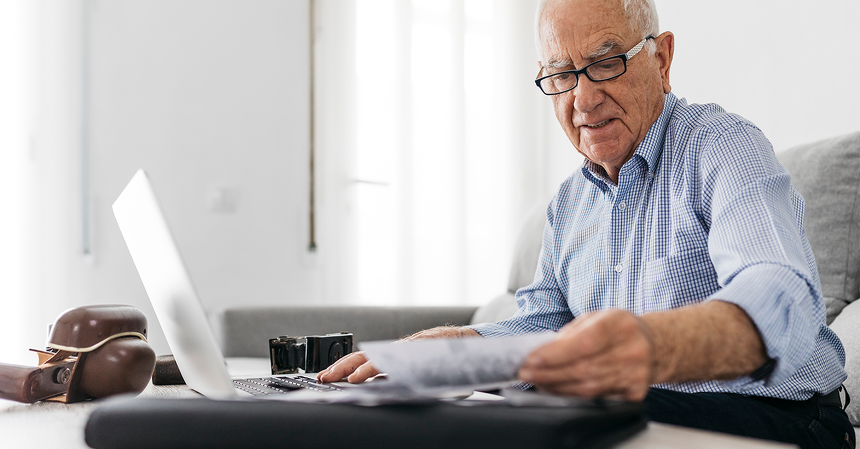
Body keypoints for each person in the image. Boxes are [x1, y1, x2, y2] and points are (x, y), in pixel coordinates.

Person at [318, 0, 854, 447]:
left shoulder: (722, 147)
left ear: (662, 59)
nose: (583, 98)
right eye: (561, 74)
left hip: (784, 419)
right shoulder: (570, 202)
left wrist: (651, 346)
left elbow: (782, 294)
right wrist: (455, 349)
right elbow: (545, 321)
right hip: (633, 408)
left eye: (605, 63)